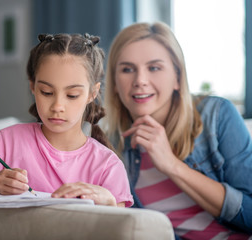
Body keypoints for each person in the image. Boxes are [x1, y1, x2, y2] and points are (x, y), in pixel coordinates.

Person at [0, 33, 133, 208]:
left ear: (92, 93)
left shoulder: (107, 165)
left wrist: (109, 201)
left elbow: (122, 226)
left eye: (72, 95)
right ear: (33, 86)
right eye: (46, 92)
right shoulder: (10, 140)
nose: (57, 106)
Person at [103, 22, 252, 238]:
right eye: (127, 69)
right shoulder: (111, 146)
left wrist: (171, 165)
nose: (140, 81)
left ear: (177, 77)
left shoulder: (216, 115)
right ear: (115, 83)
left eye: (154, 67)